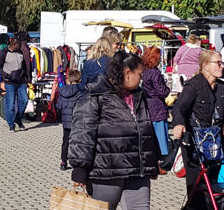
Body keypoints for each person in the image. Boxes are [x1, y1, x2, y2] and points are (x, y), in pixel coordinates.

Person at [69, 51, 158, 210]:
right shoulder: (95, 96)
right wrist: (80, 168)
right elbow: (82, 134)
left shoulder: (139, 96)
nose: (141, 78)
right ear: (127, 73)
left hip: (137, 171)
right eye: (140, 74)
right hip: (107, 172)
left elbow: (146, 128)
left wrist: (152, 160)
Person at [171, 50, 224, 210]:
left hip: (216, 142)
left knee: (213, 181)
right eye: (218, 63)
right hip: (195, 142)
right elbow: (179, 107)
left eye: (222, 62)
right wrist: (179, 124)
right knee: (196, 185)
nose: (222, 66)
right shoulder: (194, 85)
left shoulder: (222, 86)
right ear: (205, 65)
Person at [0, 32, 33, 132]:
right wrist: (6, 75)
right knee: (10, 104)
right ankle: (11, 124)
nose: (21, 47)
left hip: (21, 81)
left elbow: (25, 65)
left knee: (24, 101)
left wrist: (26, 76)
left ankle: (18, 118)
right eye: (19, 45)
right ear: (14, 45)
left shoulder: (20, 52)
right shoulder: (4, 53)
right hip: (9, 82)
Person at [141, 46, 171, 156]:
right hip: (157, 105)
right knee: (161, 135)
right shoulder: (155, 73)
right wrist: (168, 88)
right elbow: (162, 92)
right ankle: (162, 158)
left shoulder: (145, 71)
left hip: (149, 104)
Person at [56, 70, 81, 171]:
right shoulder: (80, 91)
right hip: (77, 121)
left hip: (66, 122)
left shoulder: (62, 91)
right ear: (79, 80)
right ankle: (77, 161)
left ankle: (63, 161)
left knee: (65, 142)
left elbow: (58, 106)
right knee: (78, 142)